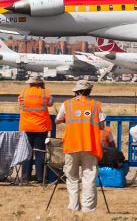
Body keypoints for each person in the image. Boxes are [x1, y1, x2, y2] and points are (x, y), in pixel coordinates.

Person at [55, 80, 105, 213]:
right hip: (90, 146)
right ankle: (88, 209)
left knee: (72, 178)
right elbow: (101, 126)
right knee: (89, 178)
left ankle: (73, 207)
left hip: (71, 145)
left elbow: (57, 120)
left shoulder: (67, 104)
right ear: (89, 91)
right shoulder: (96, 105)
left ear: (76, 91)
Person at [18, 76, 53, 183]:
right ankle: (40, 177)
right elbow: (51, 103)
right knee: (40, 152)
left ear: (30, 83)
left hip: (26, 126)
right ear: (40, 83)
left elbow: (20, 103)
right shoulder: (45, 93)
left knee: (26, 152)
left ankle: (25, 177)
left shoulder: (23, 93)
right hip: (41, 127)